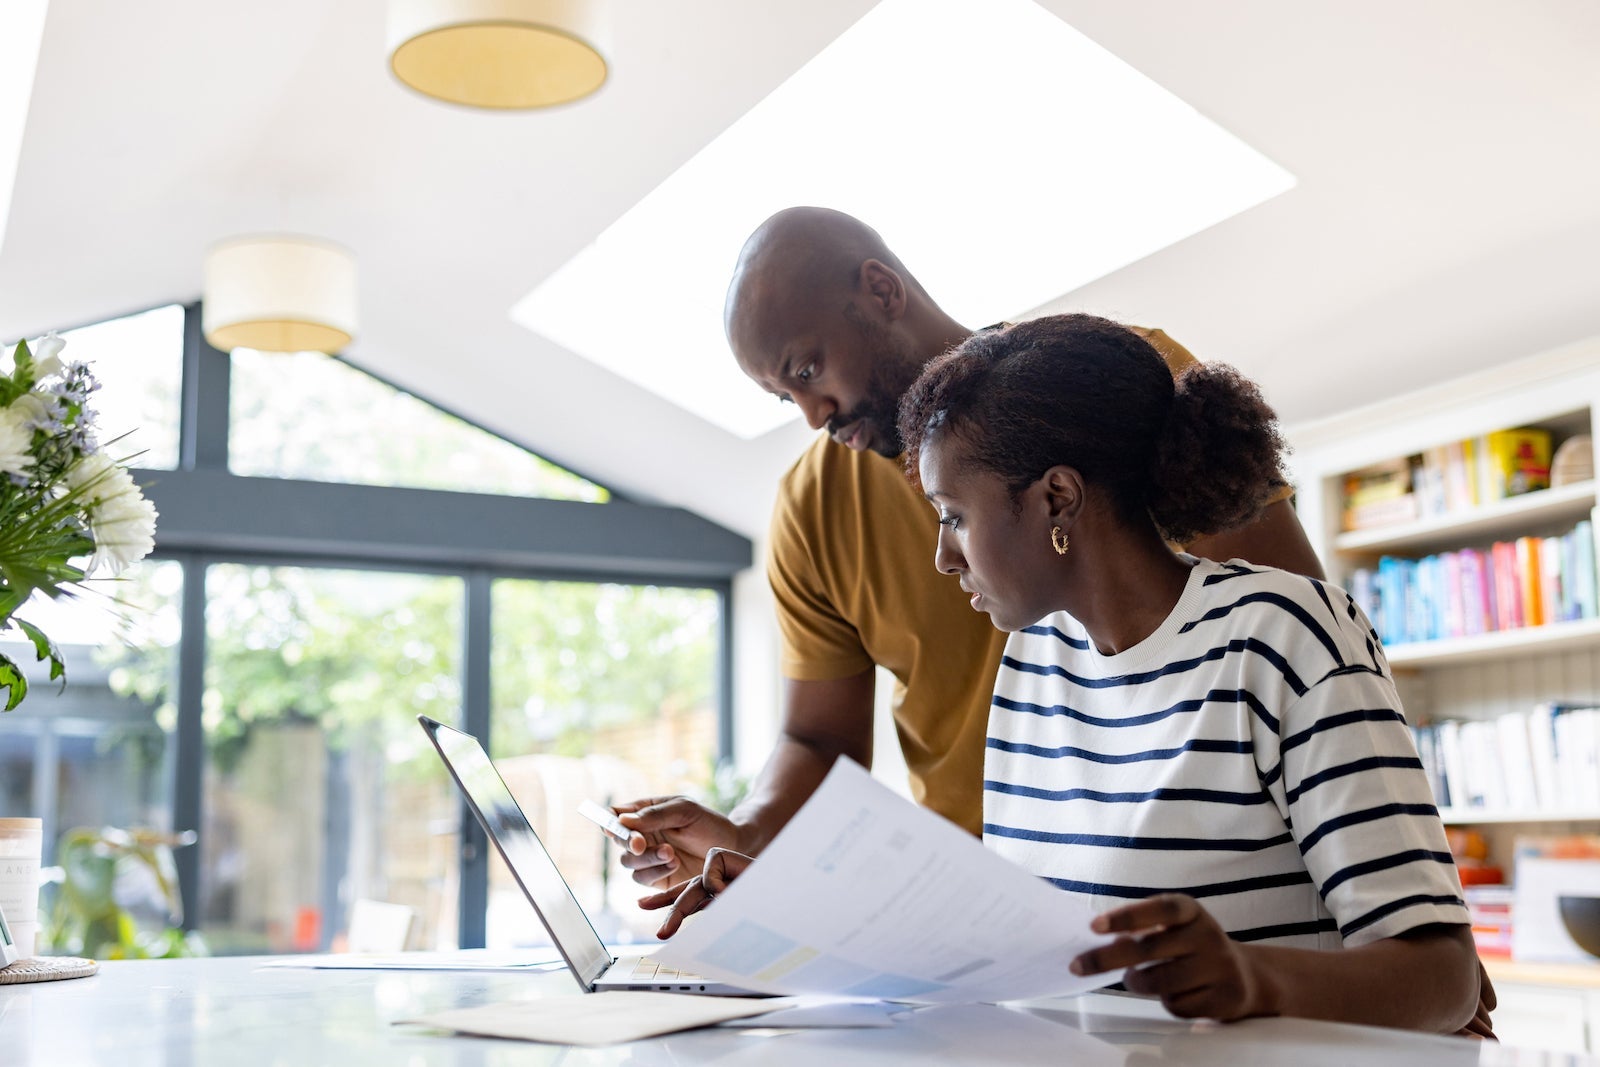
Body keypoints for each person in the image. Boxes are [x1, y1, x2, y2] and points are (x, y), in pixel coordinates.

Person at [646, 314, 1490, 1036]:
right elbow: (1023, 946)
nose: (943, 555)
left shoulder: (1285, 633)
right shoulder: (1033, 665)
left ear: (1055, 499)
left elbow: (1443, 979)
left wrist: (1249, 977)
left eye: (955, 515)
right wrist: (792, 913)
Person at [613, 207, 1325, 892]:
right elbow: (818, 741)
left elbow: (1296, 634)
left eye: (806, 370)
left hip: (1186, 862)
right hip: (980, 900)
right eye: (783, 397)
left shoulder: (1115, 386)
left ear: (882, 290)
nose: (812, 415)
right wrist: (744, 834)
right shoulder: (810, 507)